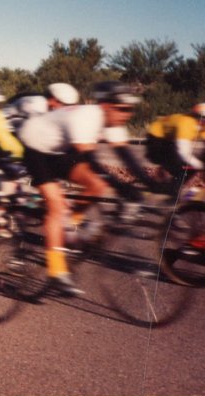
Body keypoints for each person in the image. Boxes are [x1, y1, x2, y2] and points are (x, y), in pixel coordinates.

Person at [18, 81, 159, 296]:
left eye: (130, 109)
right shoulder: (87, 117)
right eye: (122, 109)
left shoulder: (112, 123)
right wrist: (123, 188)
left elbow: (127, 156)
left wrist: (152, 186)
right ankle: (56, 271)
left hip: (59, 149)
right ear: (105, 105)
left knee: (97, 185)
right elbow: (90, 160)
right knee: (56, 204)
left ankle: (69, 224)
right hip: (35, 147)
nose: (126, 114)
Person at [145, 102, 205, 192]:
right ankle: (170, 189)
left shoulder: (199, 124)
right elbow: (184, 154)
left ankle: (168, 182)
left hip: (169, 137)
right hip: (156, 136)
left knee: (186, 166)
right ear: (198, 118)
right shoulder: (186, 124)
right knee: (181, 166)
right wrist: (200, 165)